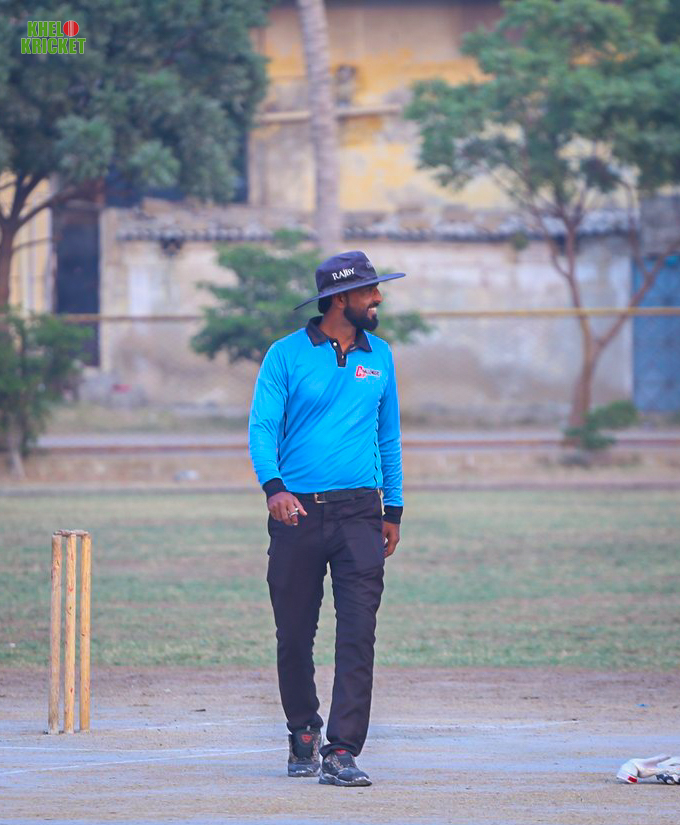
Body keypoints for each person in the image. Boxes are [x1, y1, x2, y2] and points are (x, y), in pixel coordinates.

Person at [248, 250, 405, 787]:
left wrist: (393, 508)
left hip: (361, 513)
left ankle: (341, 750)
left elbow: (389, 436)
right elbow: (262, 427)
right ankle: (303, 729)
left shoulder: (380, 356)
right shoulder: (285, 355)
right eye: (368, 291)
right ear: (340, 299)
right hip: (296, 513)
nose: (378, 298)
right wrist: (273, 488)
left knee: (359, 633)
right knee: (294, 634)